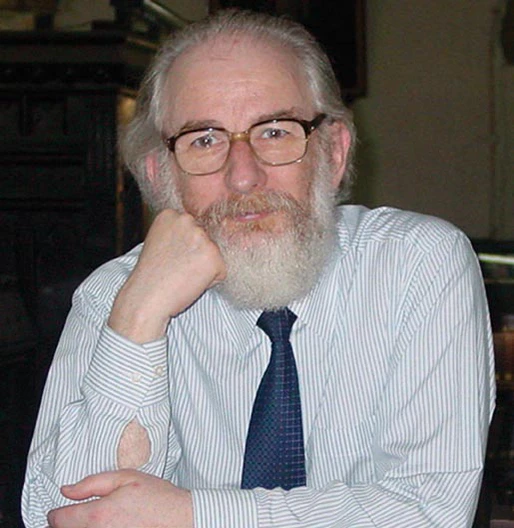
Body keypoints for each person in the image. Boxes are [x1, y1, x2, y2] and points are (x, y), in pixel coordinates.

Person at [22, 8, 495, 528]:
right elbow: (61, 515)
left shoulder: (419, 264)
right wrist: (137, 322)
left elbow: (430, 509)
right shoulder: (115, 295)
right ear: (159, 175)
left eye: (274, 131)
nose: (244, 176)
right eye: (205, 139)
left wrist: (193, 514)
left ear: (334, 153)